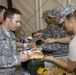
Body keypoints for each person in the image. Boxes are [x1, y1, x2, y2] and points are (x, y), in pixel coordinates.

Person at [44, 4, 76, 73]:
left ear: (70, 20)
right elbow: (71, 38)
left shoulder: (74, 43)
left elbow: (70, 67)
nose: (64, 25)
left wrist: (51, 58)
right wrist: (54, 40)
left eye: (64, 22)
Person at [0, 8, 29, 75]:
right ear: (8, 20)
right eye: (17, 21)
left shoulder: (12, 35)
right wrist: (18, 59)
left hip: (12, 72)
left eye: (19, 22)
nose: (19, 25)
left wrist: (24, 55)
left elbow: (13, 52)